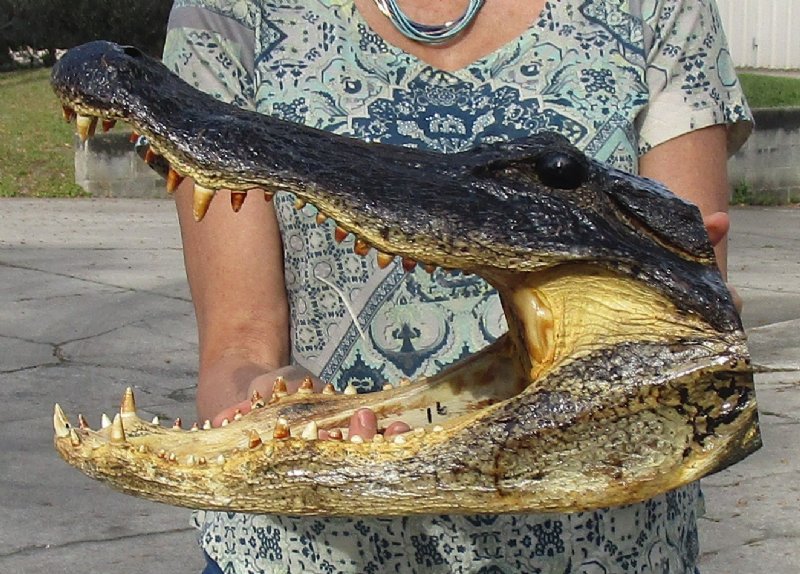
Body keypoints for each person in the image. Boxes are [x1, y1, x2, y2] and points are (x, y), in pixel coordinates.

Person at [161, 0, 751, 572]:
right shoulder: (231, 11)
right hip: (307, 551)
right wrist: (268, 401)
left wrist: (700, 326)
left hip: (603, 548)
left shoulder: (660, 6)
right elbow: (237, 341)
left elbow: (677, 321)